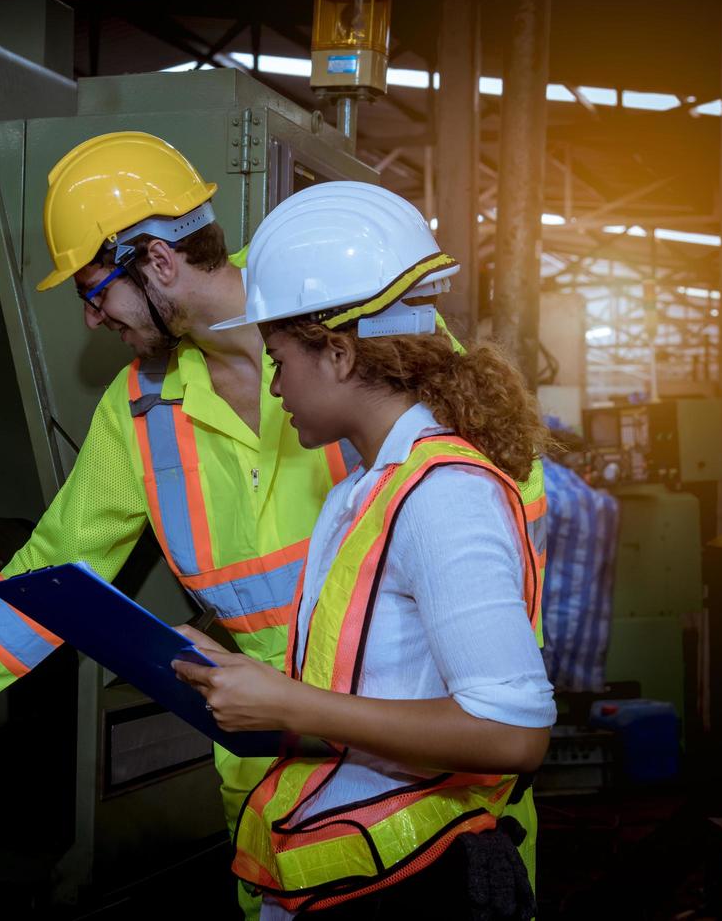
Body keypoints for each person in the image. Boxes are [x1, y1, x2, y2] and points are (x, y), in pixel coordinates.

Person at [0, 131, 353, 920]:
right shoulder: (140, 411)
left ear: (159, 262)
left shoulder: (359, 346)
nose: (95, 319)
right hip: (271, 766)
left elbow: (491, 522)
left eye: (97, 291)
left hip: (401, 742)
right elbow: (54, 572)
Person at [173, 181, 555, 920]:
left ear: (340, 354)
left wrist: (289, 701)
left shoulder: (441, 491)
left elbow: (513, 734)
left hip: (422, 883)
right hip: (373, 875)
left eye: (280, 359)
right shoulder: (368, 489)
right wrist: (253, 682)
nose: (274, 386)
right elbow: (387, 681)